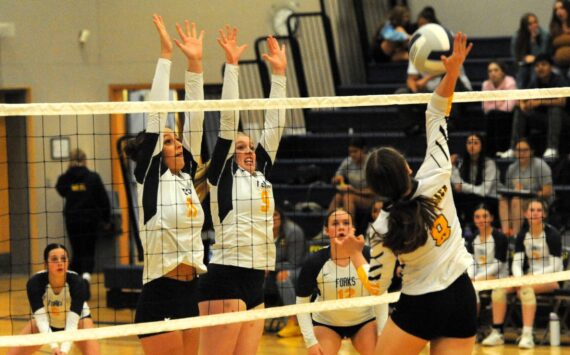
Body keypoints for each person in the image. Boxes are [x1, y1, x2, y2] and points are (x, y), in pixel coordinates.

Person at [343, 33, 478, 355]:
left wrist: (352, 253)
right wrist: (453, 71)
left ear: (376, 190)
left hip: (422, 304)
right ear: (406, 167)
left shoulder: (381, 228)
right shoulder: (436, 172)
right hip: (462, 294)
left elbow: (377, 285)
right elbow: (435, 112)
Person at [197, 30, 287, 355]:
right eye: (240, 146)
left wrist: (279, 74)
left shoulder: (261, 170)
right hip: (224, 278)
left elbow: (274, 125)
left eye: (250, 145)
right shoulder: (222, 175)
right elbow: (228, 120)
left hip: (256, 281)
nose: (248, 149)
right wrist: (231, 67)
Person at [123, 15, 206, 355]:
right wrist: (165, 55)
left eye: (176, 140)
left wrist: (195, 63)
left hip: (192, 291)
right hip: (159, 296)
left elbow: (197, 116)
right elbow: (157, 118)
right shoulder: (150, 181)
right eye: (169, 142)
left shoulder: (187, 178)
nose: (177, 145)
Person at [296, 209, 388, 355]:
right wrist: (310, 342)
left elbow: (382, 297)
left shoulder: (368, 255)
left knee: (381, 352)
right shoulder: (314, 262)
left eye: (346, 223)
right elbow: (301, 304)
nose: (341, 227)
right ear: (327, 231)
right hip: (327, 324)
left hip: (364, 322)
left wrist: (383, 333)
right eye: (335, 223)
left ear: (352, 229)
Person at [482, 199, 562, 349]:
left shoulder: (552, 234)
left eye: (539, 210)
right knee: (499, 289)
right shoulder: (523, 235)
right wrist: (519, 278)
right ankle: (497, 332)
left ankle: (527, 335)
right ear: (525, 214)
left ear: (544, 214)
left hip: (552, 278)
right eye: (532, 210)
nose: (535, 213)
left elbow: (556, 266)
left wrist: (529, 278)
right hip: (528, 278)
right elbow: (517, 263)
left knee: (526, 289)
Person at [7, 244, 99, 355]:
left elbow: (72, 322)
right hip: (46, 320)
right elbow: (41, 320)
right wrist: (54, 347)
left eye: (63, 259)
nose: (60, 262)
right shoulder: (35, 283)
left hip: (79, 321)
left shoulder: (77, 283)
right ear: (46, 264)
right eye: (54, 259)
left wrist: (64, 350)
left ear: (68, 262)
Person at [55, 148, 110, 295]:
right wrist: (106, 219)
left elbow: (60, 189)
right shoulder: (93, 177)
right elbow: (104, 200)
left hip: (72, 220)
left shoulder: (66, 179)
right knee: (88, 251)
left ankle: (74, 285)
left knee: (77, 251)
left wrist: (69, 173)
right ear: (85, 160)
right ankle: (85, 280)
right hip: (90, 221)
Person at [498, 53, 567, 160]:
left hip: (562, 119)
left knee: (554, 109)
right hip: (542, 119)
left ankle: (552, 148)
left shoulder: (558, 79)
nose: (540, 68)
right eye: (537, 65)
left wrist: (539, 102)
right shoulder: (534, 82)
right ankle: (513, 148)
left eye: (543, 64)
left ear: (551, 67)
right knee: (519, 110)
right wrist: (523, 104)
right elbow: (520, 99)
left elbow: (562, 101)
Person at [499, 138, 555, 237]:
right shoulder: (512, 168)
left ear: (531, 151)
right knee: (503, 200)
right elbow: (507, 190)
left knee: (516, 200)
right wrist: (514, 190)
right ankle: (505, 233)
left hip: (538, 199)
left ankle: (515, 236)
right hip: (518, 198)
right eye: (518, 150)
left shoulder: (540, 165)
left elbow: (548, 191)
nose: (521, 153)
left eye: (524, 150)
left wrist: (527, 192)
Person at [267, 207, 307, 338]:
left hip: (298, 269)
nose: (273, 218)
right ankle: (254, 321)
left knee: (283, 277)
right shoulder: (261, 232)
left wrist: (269, 266)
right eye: (269, 215)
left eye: (276, 214)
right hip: (272, 268)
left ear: (281, 216)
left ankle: (294, 322)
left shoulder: (293, 231)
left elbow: (295, 262)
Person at [451, 134, 501, 229]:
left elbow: (484, 191)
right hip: (472, 196)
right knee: (454, 196)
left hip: (491, 198)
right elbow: (457, 186)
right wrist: (452, 166)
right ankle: (459, 228)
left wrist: (463, 187)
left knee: (470, 199)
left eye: (476, 143)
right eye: (469, 143)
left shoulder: (489, 164)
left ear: (482, 146)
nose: (472, 146)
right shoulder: (464, 163)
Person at [465, 205, 509, 314]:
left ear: (491, 218)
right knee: (466, 286)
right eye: (477, 217)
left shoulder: (500, 237)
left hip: (498, 275)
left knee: (471, 287)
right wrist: (471, 276)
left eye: (485, 216)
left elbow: (498, 264)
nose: (481, 220)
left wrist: (477, 277)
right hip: (478, 276)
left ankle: (474, 323)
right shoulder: (472, 238)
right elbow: (471, 262)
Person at [328, 137, 375, 233]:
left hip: (372, 198)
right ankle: (328, 228)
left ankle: (350, 230)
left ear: (363, 150)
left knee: (348, 197)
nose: (352, 155)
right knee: (337, 197)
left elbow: (374, 191)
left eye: (355, 151)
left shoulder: (372, 162)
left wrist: (354, 190)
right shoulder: (348, 162)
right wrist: (337, 179)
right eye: (350, 152)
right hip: (354, 194)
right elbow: (335, 177)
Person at [481, 61, 517, 155]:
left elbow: (509, 106)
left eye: (496, 70)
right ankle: (491, 151)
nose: (492, 73)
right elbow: (485, 108)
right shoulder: (486, 84)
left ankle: (503, 148)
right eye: (490, 71)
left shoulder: (510, 81)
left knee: (496, 115)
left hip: (508, 116)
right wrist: (500, 102)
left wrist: (495, 103)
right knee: (491, 115)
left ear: (503, 72)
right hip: (493, 115)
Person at [512, 13, 550, 88]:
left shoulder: (544, 35)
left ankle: (534, 96)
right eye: (530, 24)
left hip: (540, 63)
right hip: (524, 64)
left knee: (534, 72)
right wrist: (523, 58)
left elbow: (543, 54)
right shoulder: (517, 37)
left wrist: (534, 42)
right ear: (525, 26)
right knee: (522, 73)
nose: (534, 25)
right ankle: (521, 97)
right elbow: (515, 55)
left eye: (535, 22)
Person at [550, 0, 570, 75]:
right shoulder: (554, 28)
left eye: (561, 8)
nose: (559, 11)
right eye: (556, 9)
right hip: (559, 64)